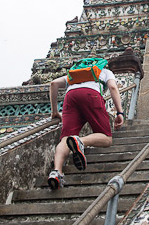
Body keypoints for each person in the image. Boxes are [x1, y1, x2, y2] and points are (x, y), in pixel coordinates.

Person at [47, 59, 124, 190]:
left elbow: (53, 83)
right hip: (91, 95)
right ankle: (80, 141)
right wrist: (119, 112)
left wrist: (54, 111)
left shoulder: (75, 74)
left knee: (65, 138)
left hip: (70, 98)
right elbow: (112, 87)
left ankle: (56, 172)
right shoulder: (104, 72)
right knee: (107, 138)